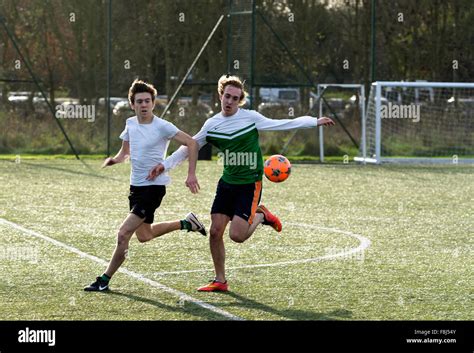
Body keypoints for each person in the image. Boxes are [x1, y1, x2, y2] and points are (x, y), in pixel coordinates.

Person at [157, 75, 335, 292]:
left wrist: (313, 122)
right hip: (227, 183)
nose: (230, 101)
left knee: (237, 236)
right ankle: (220, 280)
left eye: (235, 98)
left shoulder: (250, 117)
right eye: (227, 96)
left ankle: (261, 215)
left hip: (249, 184)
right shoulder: (212, 124)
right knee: (215, 232)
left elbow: (282, 124)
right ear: (220, 95)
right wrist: (164, 166)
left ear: (240, 100)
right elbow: (188, 147)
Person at [84, 79, 206, 292]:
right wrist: (114, 160)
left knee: (123, 234)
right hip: (135, 188)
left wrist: (191, 174)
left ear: (153, 103)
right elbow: (125, 153)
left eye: (147, 101)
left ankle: (103, 280)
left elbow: (192, 143)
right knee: (144, 235)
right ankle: (187, 223)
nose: (143, 105)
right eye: (139, 101)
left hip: (153, 188)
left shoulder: (163, 126)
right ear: (132, 104)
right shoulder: (130, 124)